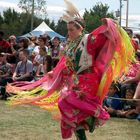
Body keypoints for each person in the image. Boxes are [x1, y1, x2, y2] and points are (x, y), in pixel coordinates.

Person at [6, 0, 135, 139]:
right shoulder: (71, 46)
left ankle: (97, 114)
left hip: (90, 80)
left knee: (66, 100)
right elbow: (69, 67)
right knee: (71, 113)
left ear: (80, 29)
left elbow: (107, 36)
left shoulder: (90, 39)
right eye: (68, 30)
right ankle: (87, 124)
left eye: (71, 30)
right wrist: (55, 73)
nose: (69, 32)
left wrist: (109, 24)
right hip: (78, 80)